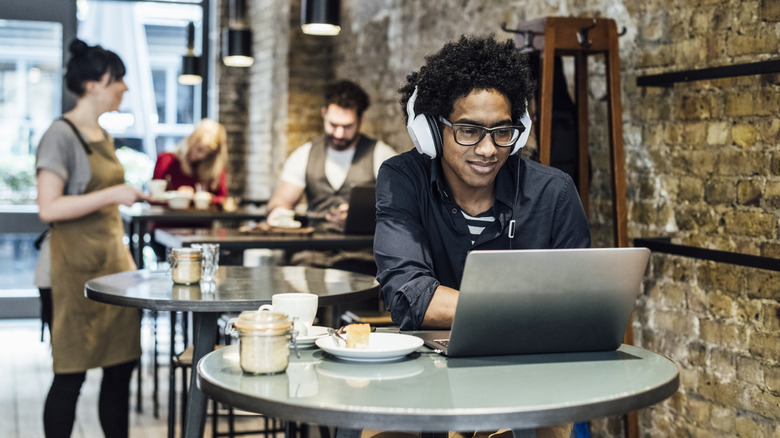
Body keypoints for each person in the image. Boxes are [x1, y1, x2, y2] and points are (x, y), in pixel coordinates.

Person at [373, 35, 592, 438]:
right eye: (469, 131)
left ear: (520, 130)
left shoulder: (554, 192)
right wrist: (529, 310)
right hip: (422, 380)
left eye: (502, 131)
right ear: (432, 131)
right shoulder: (402, 178)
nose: (489, 149)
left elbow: (578, 308)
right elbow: (411, 296)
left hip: (527, 383)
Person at [35, 38, 147, 438]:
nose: (124, 88)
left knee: (121, 370)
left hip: (112, 271)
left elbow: (106, 215)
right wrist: (115, 193)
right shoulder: (59, 135)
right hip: (71, 275)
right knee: (71, 375)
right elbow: (48, 208)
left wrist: (130, 265)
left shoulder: (101, 134)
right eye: (119, 79)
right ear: (96, 83)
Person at [266, 80, 396, 273]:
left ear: (361, 120)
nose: (339, 133)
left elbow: (400, 211)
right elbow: (281, 202)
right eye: (333, 125)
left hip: (362, 255)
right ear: (323, 114)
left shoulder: (381, 155)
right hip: (312, 255)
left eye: (348, 126)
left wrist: (361, 217)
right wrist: (278, 212)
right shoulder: (304, 155)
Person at [152, 118, 228, 204]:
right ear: (191, 141)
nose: (202, 156)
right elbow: (154, 198)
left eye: (208, 154)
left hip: (202, 217)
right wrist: (178, 197)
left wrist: (205, 197)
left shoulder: (214, 166)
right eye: (199, 149)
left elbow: (223, 199)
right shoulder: (166, 160)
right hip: (171, 216)